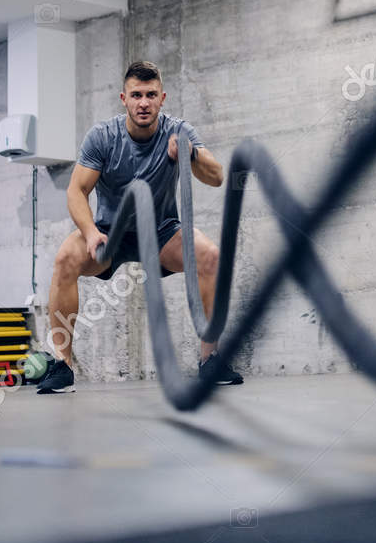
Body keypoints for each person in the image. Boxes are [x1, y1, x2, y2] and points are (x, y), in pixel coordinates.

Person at [37, 60, 240, 393]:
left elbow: (217, 177)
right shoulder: (102, 137)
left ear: (162, 98)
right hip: (108, 233)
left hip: (161, 233)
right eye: (136, 95)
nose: (143, 103)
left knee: (210, 257)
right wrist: (90, 232)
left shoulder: (178, 131)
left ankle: (209, 360)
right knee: (64, 260)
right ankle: (62, 365)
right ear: (123, 98)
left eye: (150, 95)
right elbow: (77, 191)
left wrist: (190, 156)